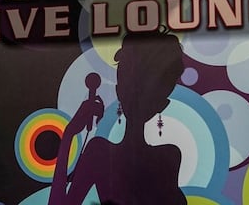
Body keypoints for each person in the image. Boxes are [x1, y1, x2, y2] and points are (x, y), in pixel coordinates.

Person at [48, 28, 186, 205]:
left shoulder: (169, 157)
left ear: (162, 104)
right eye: (127, 82)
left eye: (144, 89)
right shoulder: (99, 152)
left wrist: (68, 136)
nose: (133, 93)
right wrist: (68, 136)